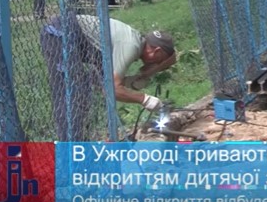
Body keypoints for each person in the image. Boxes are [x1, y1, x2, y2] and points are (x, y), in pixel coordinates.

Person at [39, 13, 176, 141]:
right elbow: (111, 90)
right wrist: (145, 100)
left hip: (74, 37)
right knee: (72, 95)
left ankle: (77, 143)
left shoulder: (135, 41)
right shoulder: (131, 46)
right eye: (160, 59)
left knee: (87, 88)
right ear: (156, 51)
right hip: (59, 35)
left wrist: (142, 75)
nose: (158, 64)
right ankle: (69, 150)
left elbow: (107, 82)